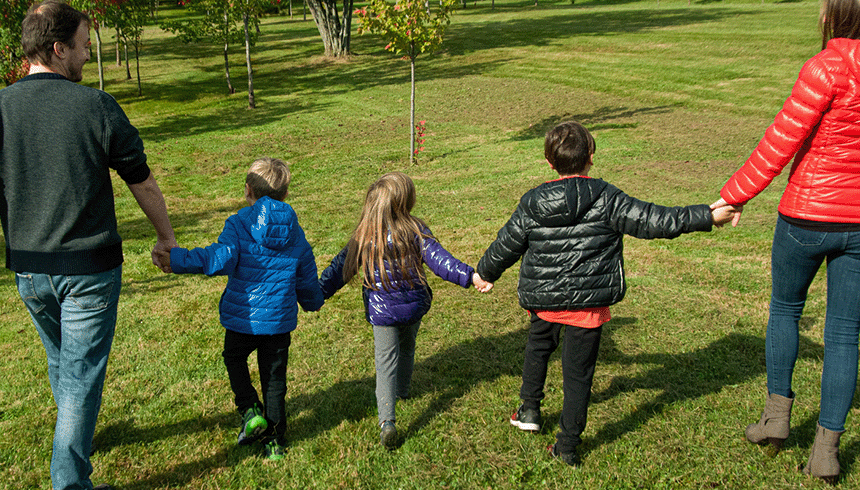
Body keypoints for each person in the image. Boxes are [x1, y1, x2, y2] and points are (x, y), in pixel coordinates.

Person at [476, 120, 738, 467]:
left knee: (538, 349)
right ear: (592, 157)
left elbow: (507, 243)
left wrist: (485, 272)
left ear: (549, 162)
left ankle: (530, 410)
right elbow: (653, 219)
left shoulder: (535, 200)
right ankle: (566, 444)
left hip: (546, 300)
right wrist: (706, 215)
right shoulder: (605, 197)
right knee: (578, 374)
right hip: (586, 305)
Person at [0, 1, 176, 489]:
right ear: (57, 49)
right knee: (78, 379)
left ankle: (74, 438)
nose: (87, 56)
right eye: (81, 47)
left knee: (63, 362)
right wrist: (166, 237)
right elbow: (141, 181)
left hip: (28, 271)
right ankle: (69, 481)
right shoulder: (96, 106)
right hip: (87, 271)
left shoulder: (1, 107)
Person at [711, 0, 860, 483]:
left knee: (785, 311)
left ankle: (777, 419)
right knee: (843, 335)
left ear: (834, 13)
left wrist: (731, 197)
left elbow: (781, 140)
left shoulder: (826, 66)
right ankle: (826, 451)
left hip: (805, 215)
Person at [155, 157, 324, 461]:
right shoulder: (295, 233)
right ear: (285, 195)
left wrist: (178, 259)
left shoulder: (238, 224)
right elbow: (307, 275)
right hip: (277, 322)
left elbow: (218, 258)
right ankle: (274, 441)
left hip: (242, 319)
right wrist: (313, 301)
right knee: (274, 381)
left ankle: (249, 409)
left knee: (234, 358)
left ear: (247, 190)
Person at [318, 171, 492, 449]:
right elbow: (441, 260)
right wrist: (470, 276)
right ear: (405, 202)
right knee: (408, 347)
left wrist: (316, 295)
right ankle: (404, 390)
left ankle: (387, 420)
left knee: (385, 362)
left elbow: (340, 269)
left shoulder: (365, 235)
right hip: (413, 306)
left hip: (382, 312)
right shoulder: (416, 229)